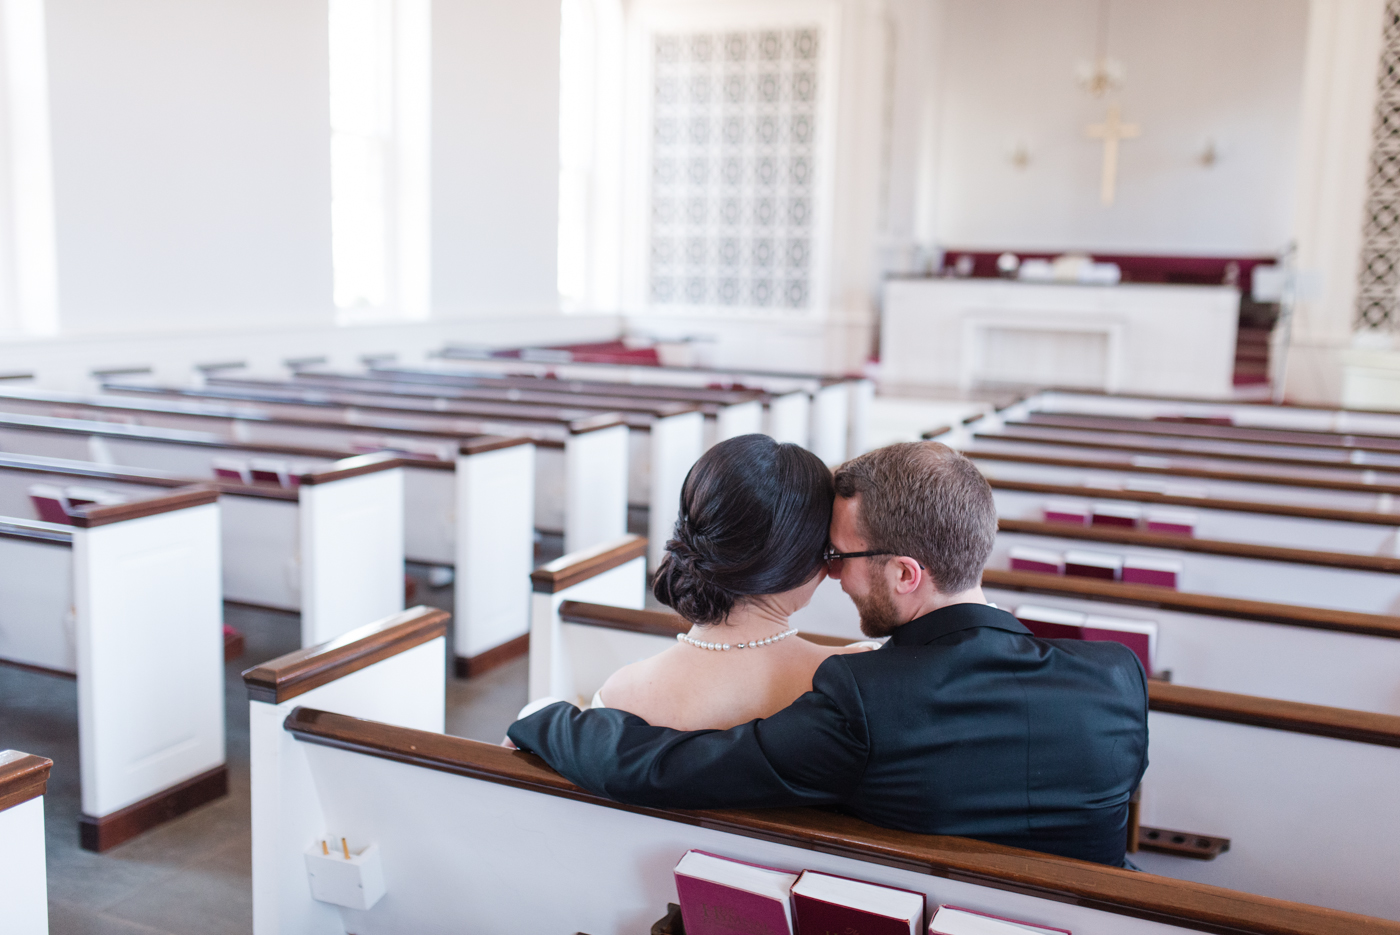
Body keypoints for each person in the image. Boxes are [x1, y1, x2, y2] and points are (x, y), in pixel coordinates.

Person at [508, 441, 1149, 866]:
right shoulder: (1116, 678)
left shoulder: (867, 697)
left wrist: (547, 718)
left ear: (904, 573)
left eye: (840, 557)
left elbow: (662, 771)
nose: (834, 575)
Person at [590, 433, 875, 731]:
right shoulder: (858, 677)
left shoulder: (619, 693)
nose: (832, 569)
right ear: (797, 554)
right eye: (829, 550)